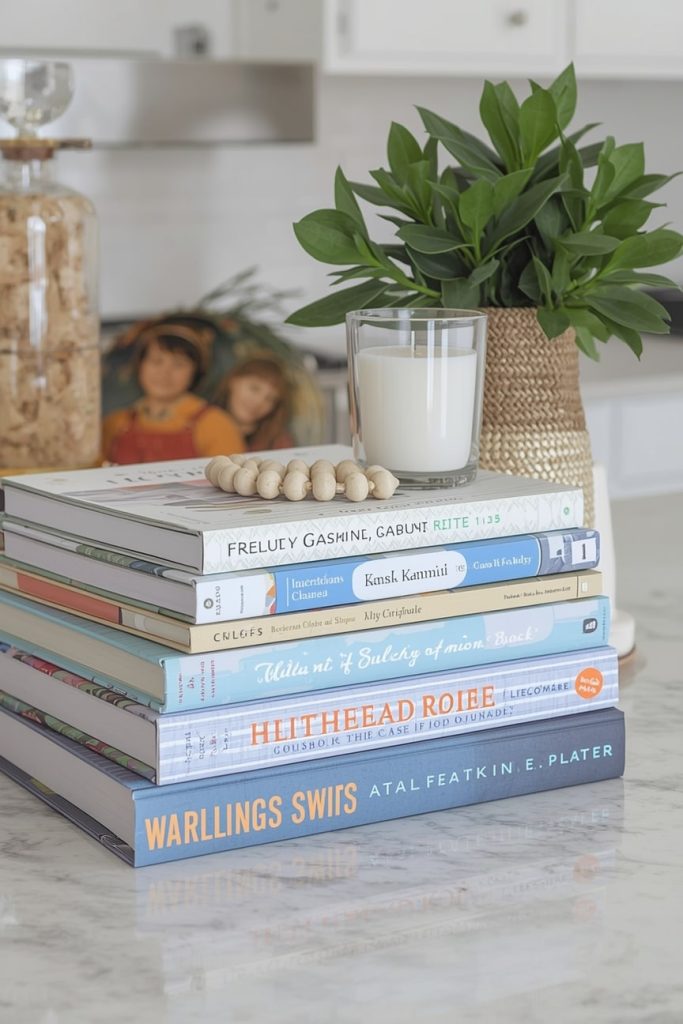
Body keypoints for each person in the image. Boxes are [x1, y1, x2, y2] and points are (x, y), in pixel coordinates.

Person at [102, 323, 245, 464]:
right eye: (156, 361)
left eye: (178, 364)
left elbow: (229, 480)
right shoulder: (115, 424)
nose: (165, 373)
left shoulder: (215, 424)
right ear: (140, 366)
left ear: (195, 373)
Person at [214, 357, 294, 451]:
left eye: (270, 399)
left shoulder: (278, 443)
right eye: (254, 388)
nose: (258, 402)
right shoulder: (199, 422)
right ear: (233, 381)